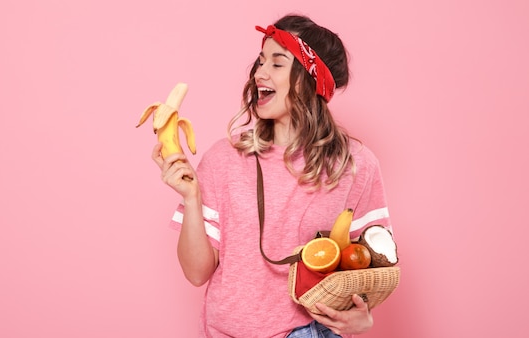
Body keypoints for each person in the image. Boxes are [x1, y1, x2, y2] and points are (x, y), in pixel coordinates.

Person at [151, 13, 393, 338]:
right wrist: (191, 198)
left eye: (277, 64)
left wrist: (363, 316)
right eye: (260, 61)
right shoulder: (224, 159)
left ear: (311, 80)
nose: (259, 73)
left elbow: (373, 266)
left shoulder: (355, 166)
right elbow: (197, 274)